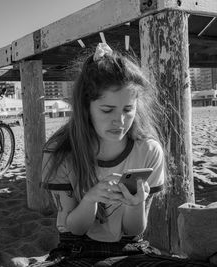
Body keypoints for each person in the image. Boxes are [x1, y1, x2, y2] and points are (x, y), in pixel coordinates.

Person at [34, 43, 211, 267]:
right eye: (107, 110)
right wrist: (90, 199)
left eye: (128, 110)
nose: (119, 121)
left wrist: (135, 204)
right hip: (75, 251)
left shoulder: (148, 150)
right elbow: (74, 229)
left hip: (131, 251)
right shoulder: (60, 151)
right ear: (85, 107)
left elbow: (134, 230)